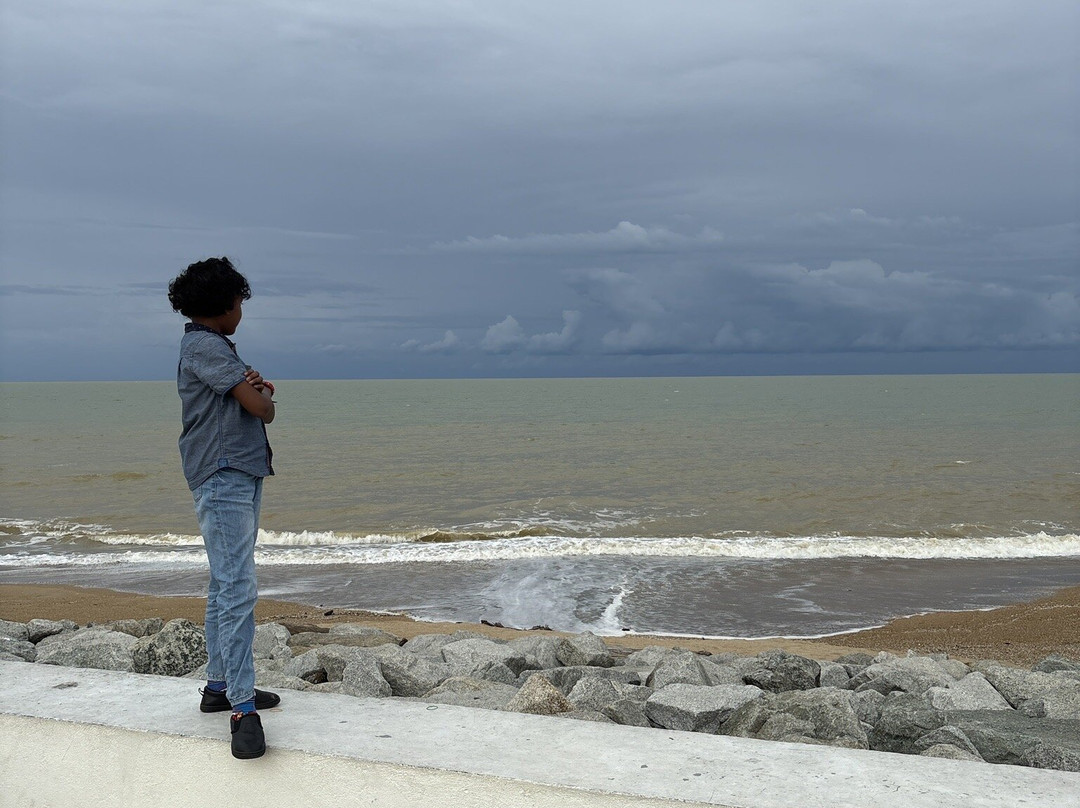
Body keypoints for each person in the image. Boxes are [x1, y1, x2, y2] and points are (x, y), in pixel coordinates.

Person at [168, 256, 280, 759]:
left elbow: (253, 401)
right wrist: (255, 391)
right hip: (224, 474)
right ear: (223, 305)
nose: (242, 311)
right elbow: (263, 409)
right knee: (237, 587)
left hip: (235, 471)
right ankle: (241, 708)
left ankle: (220, 686)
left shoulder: (210, 348)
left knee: (224, 582)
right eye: (239, 302)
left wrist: (252, 388)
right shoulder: (207, 347)